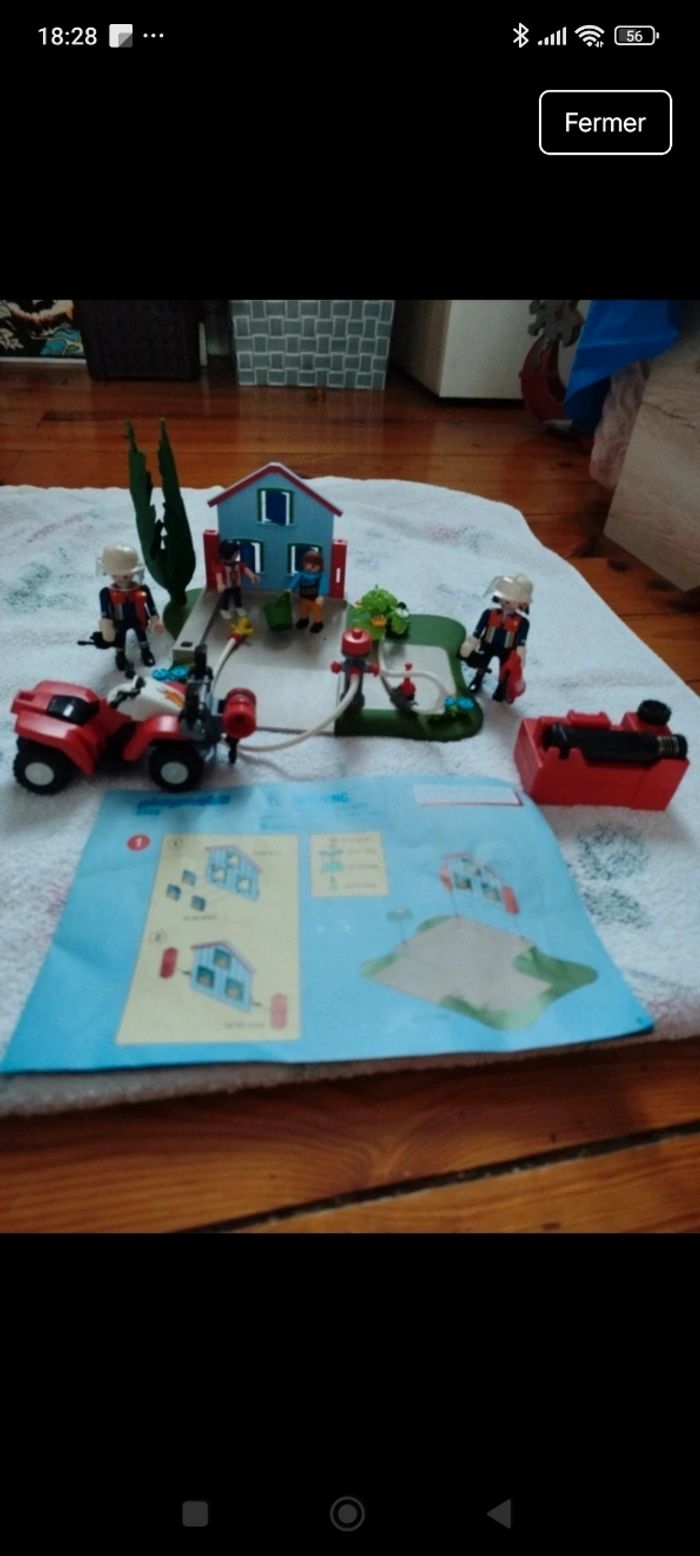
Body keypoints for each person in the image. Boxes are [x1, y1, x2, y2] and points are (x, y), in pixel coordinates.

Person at [459, 574, 532, 702]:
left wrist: (520, 654)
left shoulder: (523, 622)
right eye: (503, 598)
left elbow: (521, 641)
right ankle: (478, 679)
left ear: (522, 603)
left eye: (510, 600)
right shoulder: (489, 613)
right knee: (482, 663)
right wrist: (471, 643)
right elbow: (478, 630)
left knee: (505, 670)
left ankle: (501, 687)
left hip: (507, 650)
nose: (505, 603)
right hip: (488, 645)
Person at [99, 543, 164, 671]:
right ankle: (120, 656)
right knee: (119, 640)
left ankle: (145, 652)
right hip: (119, 621)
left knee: (142, 636)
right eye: (114, 575)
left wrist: (155, 618)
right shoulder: (106, 593)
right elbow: (104, 611)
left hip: (138, 619)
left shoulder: (143, 589)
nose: (120, 579)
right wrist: (106, 625)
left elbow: (151, 606)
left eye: (125, 576)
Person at [215, 540, 259, 620]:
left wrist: (252, 576)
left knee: (238, 597)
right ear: (230, 554)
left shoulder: (238, 564)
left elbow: (246, 569)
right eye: (236, 552)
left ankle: (239, 607)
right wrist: (220, 584)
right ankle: (224, 609)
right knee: (225, 598)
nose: (238, 553)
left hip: (237, 585)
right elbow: (218, 574)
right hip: (227, 587)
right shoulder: (221, 567)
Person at [288, 548, 327, 633]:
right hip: (304, 597)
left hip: (315, 598)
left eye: (313, 566)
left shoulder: (320, 576)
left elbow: (323, 585)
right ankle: (304, 620)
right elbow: (295, 581)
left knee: (316, 611)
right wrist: (290, 588)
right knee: (303, 610)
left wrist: (321, 595)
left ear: (320, 566)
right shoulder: (301, 574)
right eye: (306, 565)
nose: (309, 568)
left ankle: (318, 623)